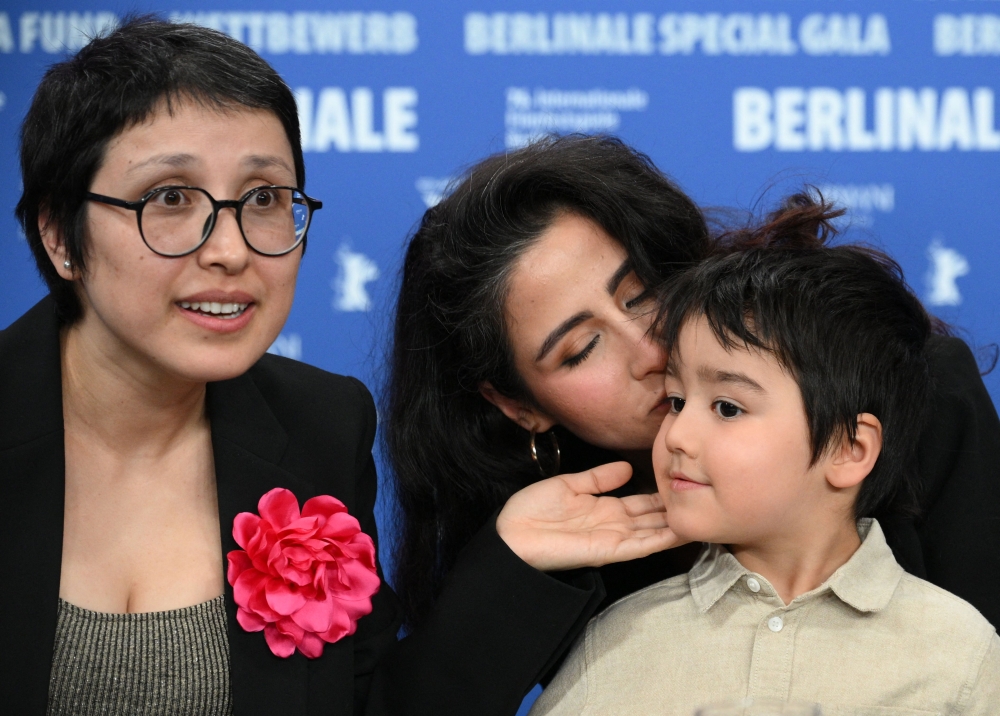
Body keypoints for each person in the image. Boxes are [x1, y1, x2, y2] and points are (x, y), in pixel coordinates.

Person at [1, 19, 675, 715]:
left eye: (263, 198)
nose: (230, 249)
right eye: (171, 198)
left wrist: (511, 560)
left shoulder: (320, 424)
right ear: (59, 236)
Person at [386, 135, 1000, 705]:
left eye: (640, 294)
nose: (650, 350)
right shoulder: (553, 539)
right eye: (582, 349)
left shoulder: (916, 395)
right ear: (518, 405)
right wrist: (512, 564)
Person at [529, 196, 1000, 715]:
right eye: (677, 401)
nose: (677, 434)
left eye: (727, 408)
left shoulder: (962, 652)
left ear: (850, 448)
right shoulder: (613, 643)